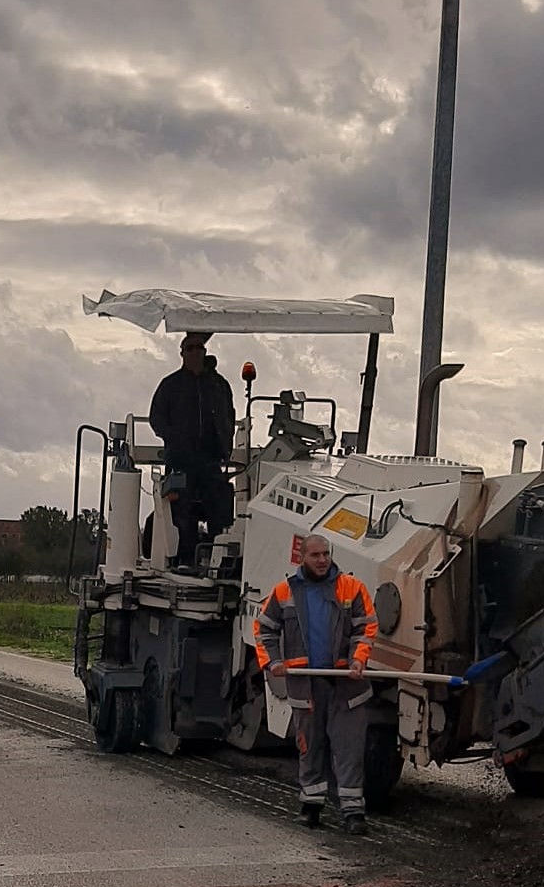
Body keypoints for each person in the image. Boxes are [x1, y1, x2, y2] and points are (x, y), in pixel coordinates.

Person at [254, 534, 379, 834]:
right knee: (310, 746)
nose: (322, 560)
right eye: (315, 555)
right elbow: (263, 629)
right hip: (305, 685)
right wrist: (272, 663)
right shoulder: (285, 592)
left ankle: (353, 812)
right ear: (302, 558)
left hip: (346, 687)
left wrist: (358, 660)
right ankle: (311, 805)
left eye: (326, 554)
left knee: (349, 748)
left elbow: (366, 628)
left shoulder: (352, 587)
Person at [149, 332, 236, 566]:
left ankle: (221, 562)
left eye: (199, 348)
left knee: (220, 509)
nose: (196, 352)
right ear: (182, 354)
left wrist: (225, 443)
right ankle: (185, 561)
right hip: (181, 461)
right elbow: (155, 418)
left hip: (211, 460)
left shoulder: (219, 385)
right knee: (181, 512)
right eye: (190, 349)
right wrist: (174, 438)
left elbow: (229, 415)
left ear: (205, 352)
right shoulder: (170, 385)